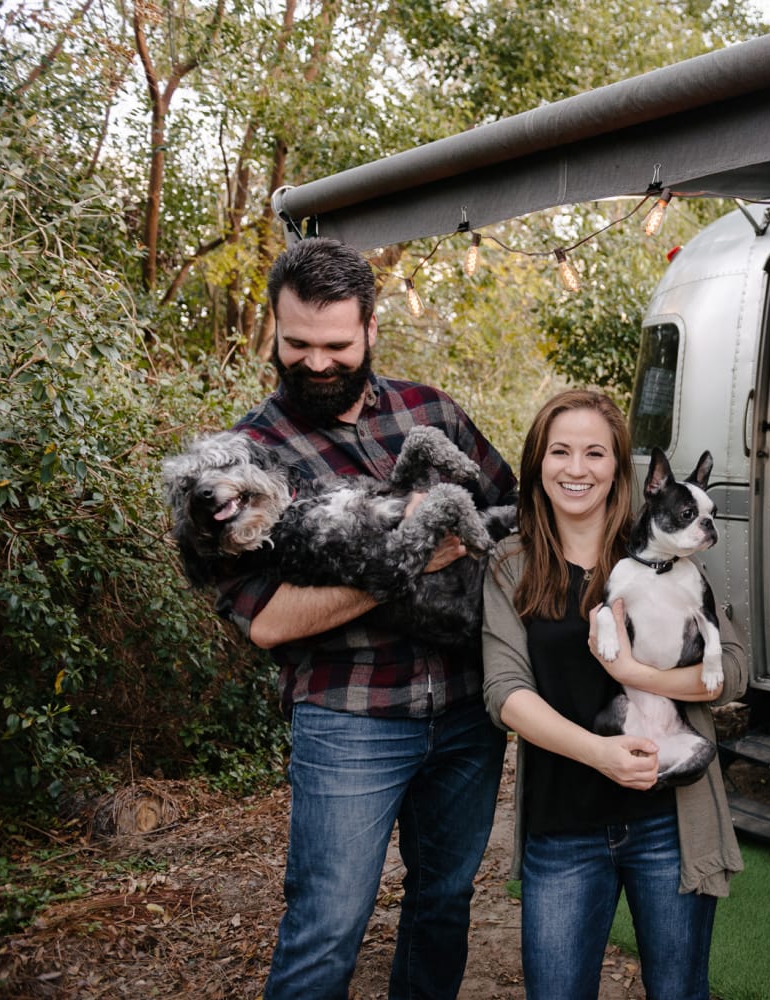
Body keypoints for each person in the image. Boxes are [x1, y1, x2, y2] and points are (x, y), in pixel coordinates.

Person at [212, 237, 517, 999]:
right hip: (351, 718)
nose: (316, 363)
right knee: (327, 928)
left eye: (337, 345)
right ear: (274, 333)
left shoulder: (432, 411)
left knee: (443, 905)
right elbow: (269, 621)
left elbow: (508, 514)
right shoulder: (246, 460)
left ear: (372, 329)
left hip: (465, 712)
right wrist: (407, 559)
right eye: (297, 344)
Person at [481, 389, 746, 1000]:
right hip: (563, 823)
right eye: (560, 452)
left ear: (621, 467)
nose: (577, 469)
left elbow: (731, 669)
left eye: (595, 453)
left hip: (668, 819)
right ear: (537, 464)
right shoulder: (511, 563)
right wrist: (598, 753)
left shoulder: (662, 551)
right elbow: (505, 691)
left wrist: (637, 673)